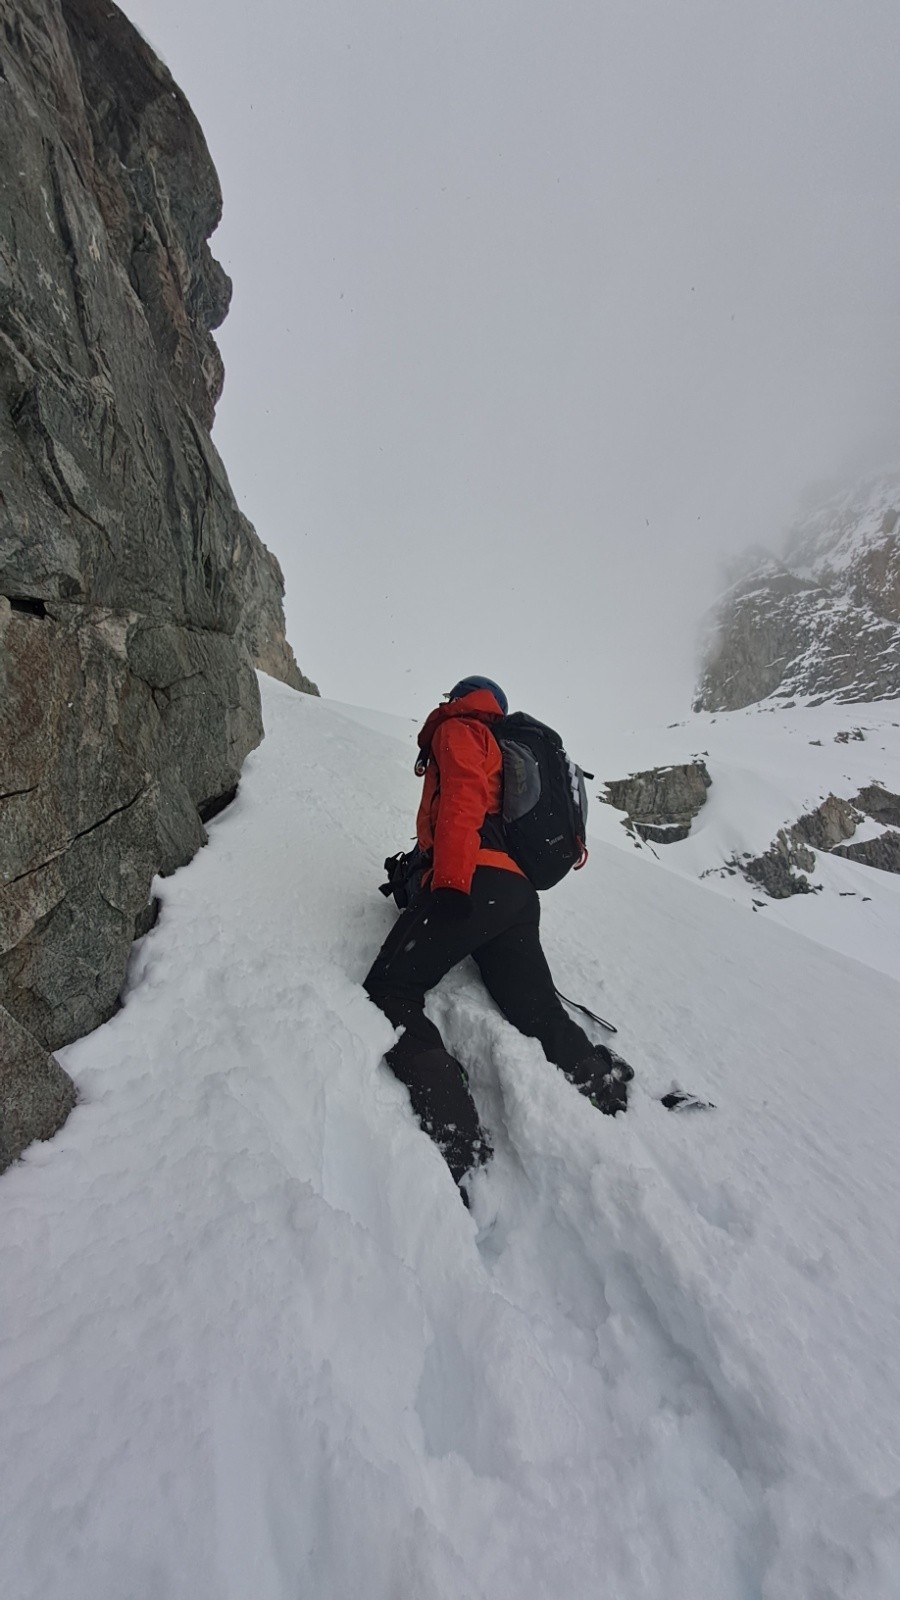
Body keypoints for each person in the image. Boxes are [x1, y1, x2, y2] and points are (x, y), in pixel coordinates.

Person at [364, 675, 633, 1200]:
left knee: (390, 992)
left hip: (475, 881)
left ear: (462, 697)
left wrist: (448, 883)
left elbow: (463, 797)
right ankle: (606, 1086)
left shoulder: (461, 729)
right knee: (536, 1011)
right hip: (515, 896)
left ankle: (458, 1136)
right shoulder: (506, 752)